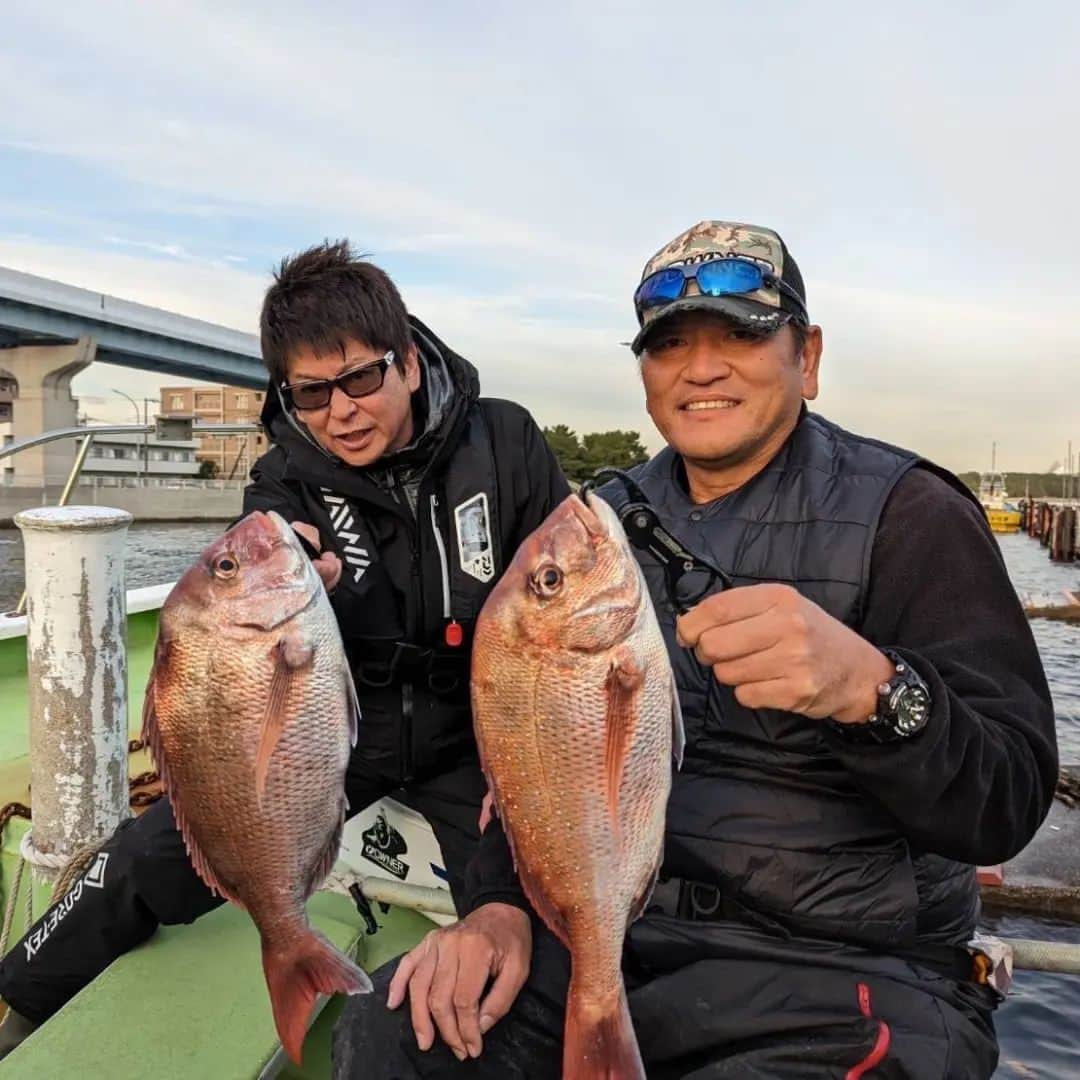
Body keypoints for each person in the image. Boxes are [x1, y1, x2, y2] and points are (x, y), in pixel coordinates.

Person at [333, 221, 1058, 1078]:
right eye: (669, 345)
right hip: (616, 938)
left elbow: (1007, 800)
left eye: (741, 335)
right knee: (395, 1032)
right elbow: (530, 765)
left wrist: (876, 691)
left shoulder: (911, 514)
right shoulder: (595, 527)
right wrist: (497, 908)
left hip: (842, 971)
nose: (701, 368)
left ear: (808, 355)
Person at [0, 240, 569, 1056]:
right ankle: (20, 998)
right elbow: (232, 636)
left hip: (473, 733)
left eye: (361, 378)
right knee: (139, 857)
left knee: (532, 898)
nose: (340, 410)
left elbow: (549, 610)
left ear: (408, 361)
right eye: (311, 392)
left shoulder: (506, 443)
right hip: (337, 729)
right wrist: (314, 590)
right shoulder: (282, 480)